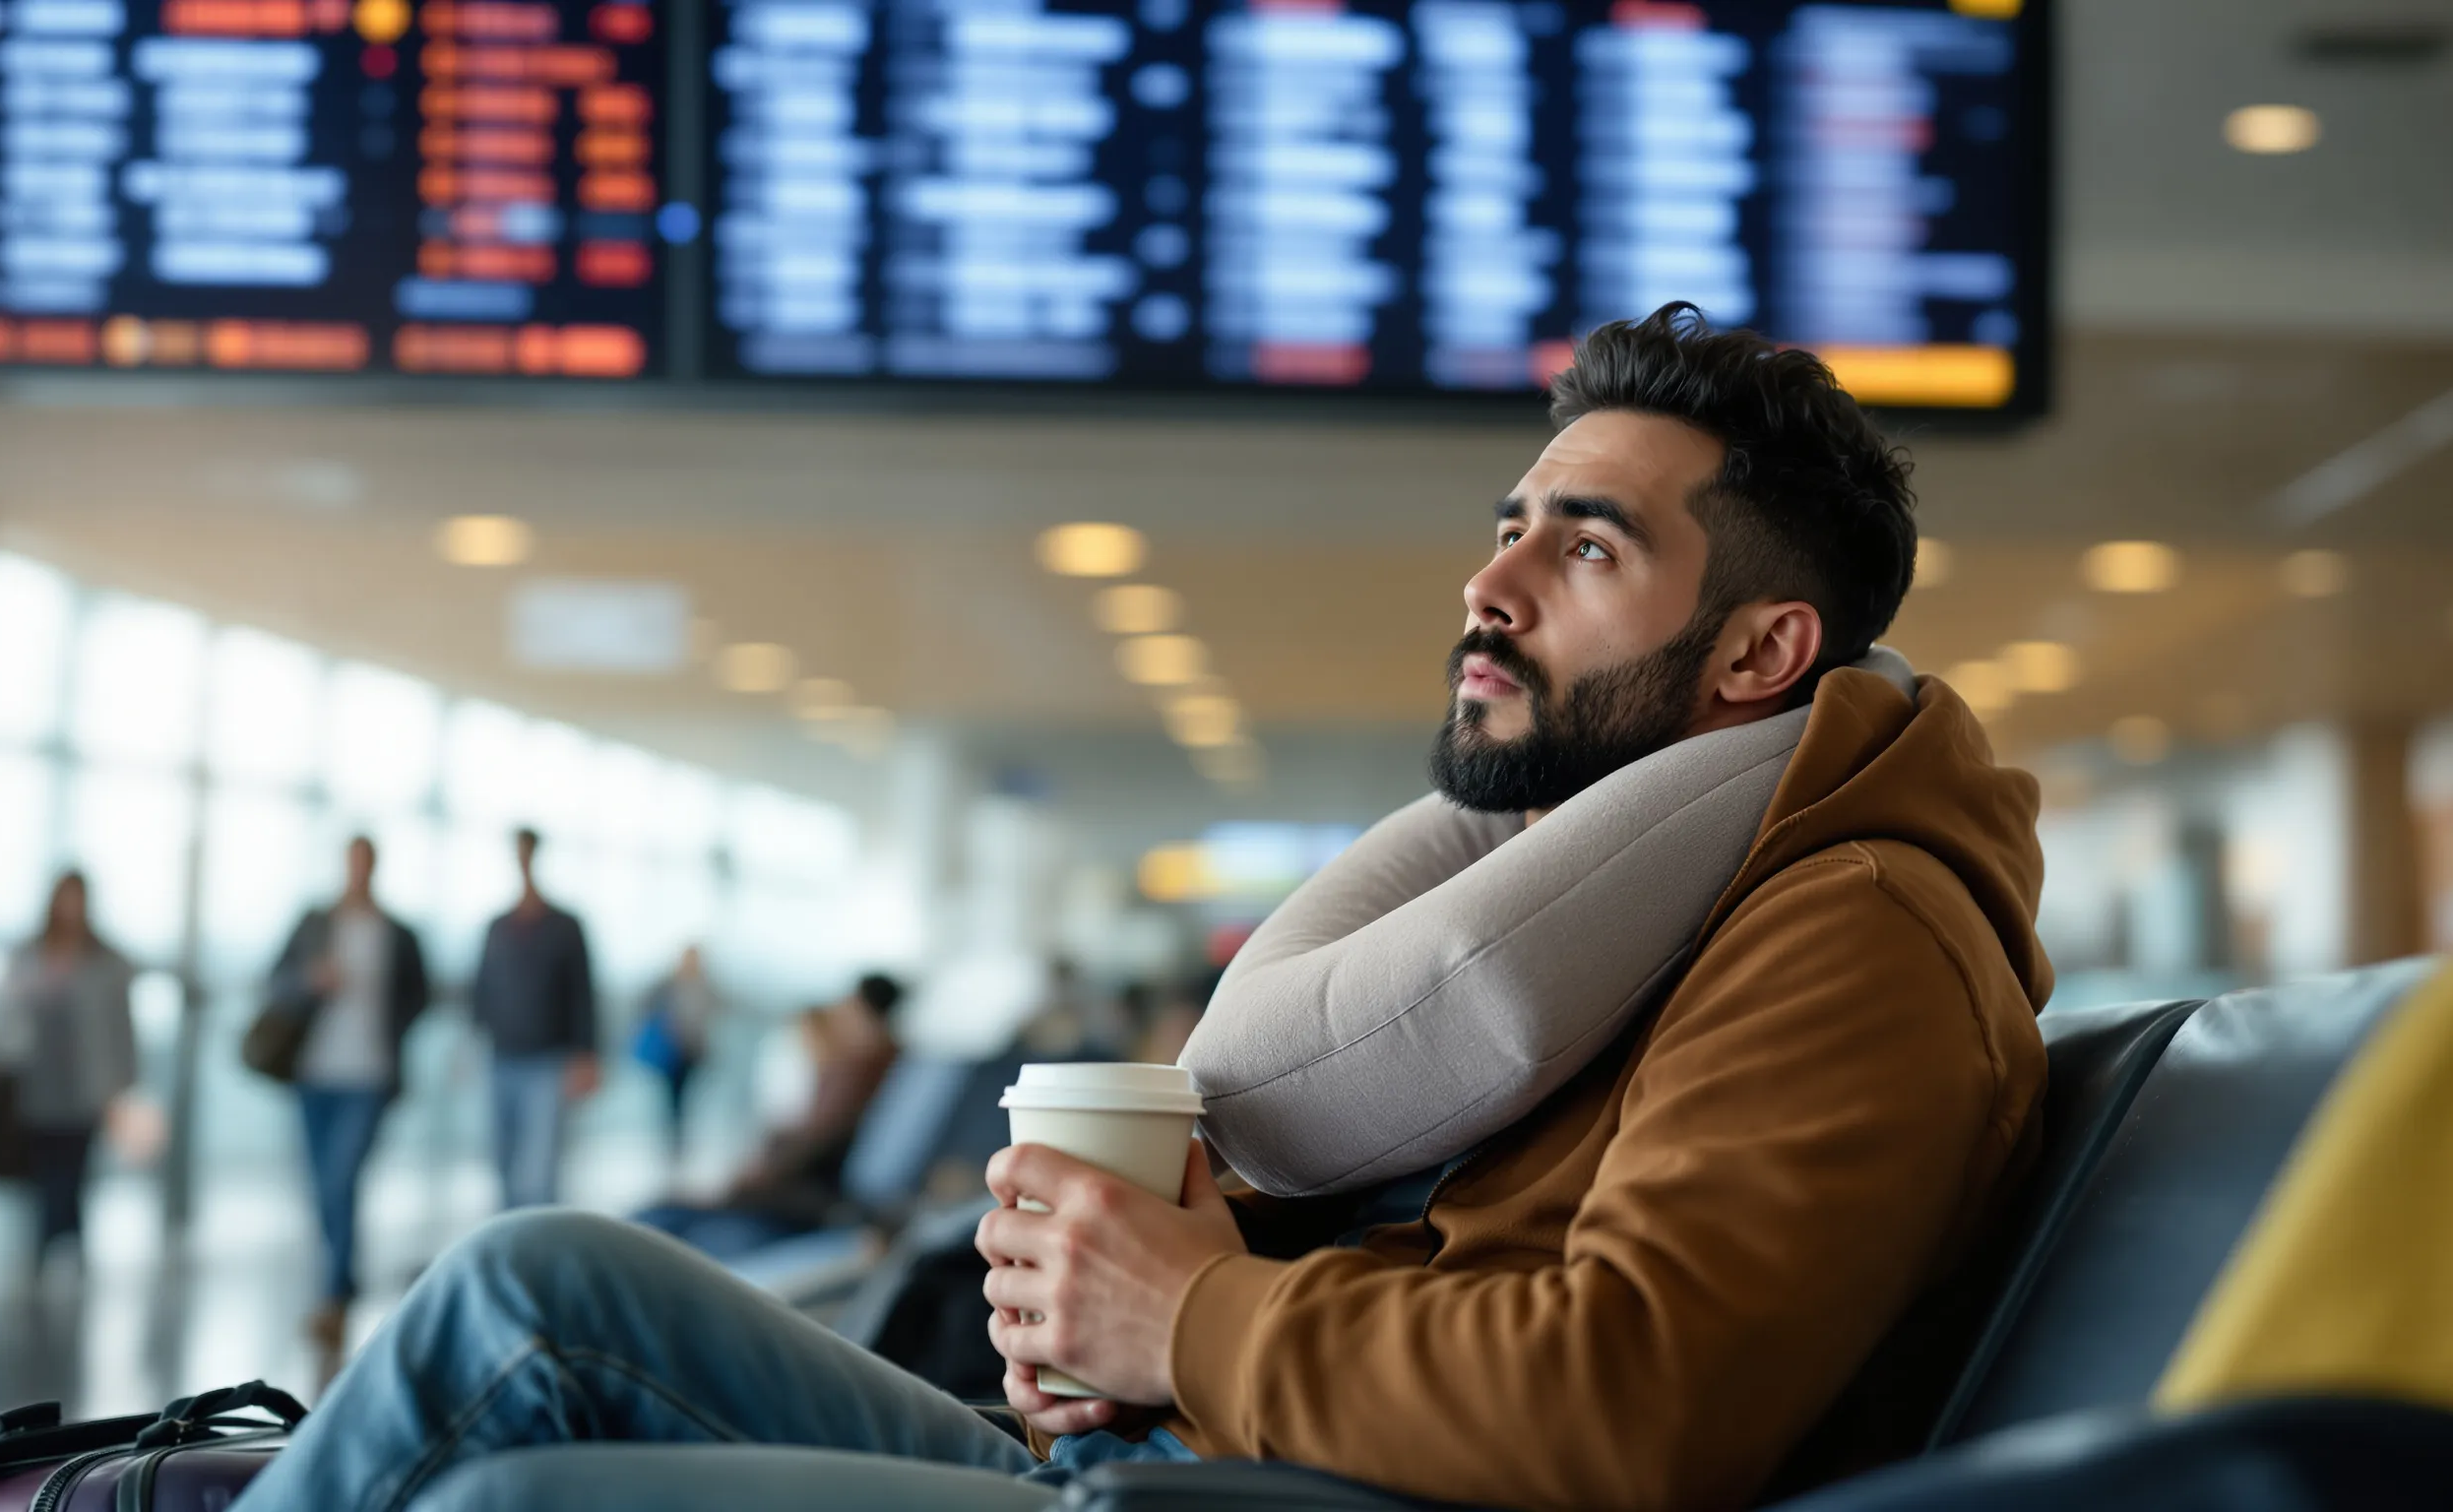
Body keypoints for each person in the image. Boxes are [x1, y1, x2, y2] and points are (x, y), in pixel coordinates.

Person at [232, 303, 2050, 1512]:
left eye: (1585, 546)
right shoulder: (1627, 893)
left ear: (1760, 648)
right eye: (1510, 524)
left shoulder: (1850, 929)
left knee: (522, 1496)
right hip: (1210, 1465)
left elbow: (1635, 1396)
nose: (1490, 584)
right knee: (527, 1282)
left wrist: (1189, 1319)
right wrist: (1155, 1298)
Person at [268, 835, 431, 1354]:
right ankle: (341, 1280)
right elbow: (274, 980)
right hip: (315, 1071)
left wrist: (394, 1029)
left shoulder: (397, 932)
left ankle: (335, 1290)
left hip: (370, 1074)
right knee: (322, 1184)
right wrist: (310, 981)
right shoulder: (316, 923)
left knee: (342, 1177)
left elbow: (419, 994)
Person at [632, 973, 904, 1259]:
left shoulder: (858, 1069)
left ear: (860, 1009)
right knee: (660, 1217)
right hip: (802, 1191)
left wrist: (752, 1178)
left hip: (799, 1197)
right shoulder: (884, 1064)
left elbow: (817, 1140)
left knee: (658, 1217)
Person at [0, 870, 137, 1270]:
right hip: (37, 1076)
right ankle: (53, 1239)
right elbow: (4, 1015)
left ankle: (63, 1238)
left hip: (87, 1080)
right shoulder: (29, 953)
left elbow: (122, 1026)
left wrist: (125, 1083)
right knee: (43, 1162)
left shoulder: (105, 960)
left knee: (75, 1163)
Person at [471, 827, 600, 1211]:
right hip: (501, 1056)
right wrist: (471, 1042)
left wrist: (586, 1054)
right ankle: (507, 1246)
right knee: (502, 1161)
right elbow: (481, 989)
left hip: (548, 1059)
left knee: (541, 1170)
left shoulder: (565, 926)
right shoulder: (498, 926)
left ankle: (536, 1252)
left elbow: (582, 993)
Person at [632, 944, 721, 1154]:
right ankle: (673, 1137)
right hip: (670, 1050)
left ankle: (678, 1136)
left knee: (684, 1096)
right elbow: (643, 1004)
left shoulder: (704, 985)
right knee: (672, 1097)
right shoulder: (667, 985)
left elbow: (718, 1008)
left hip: (691, 1052)